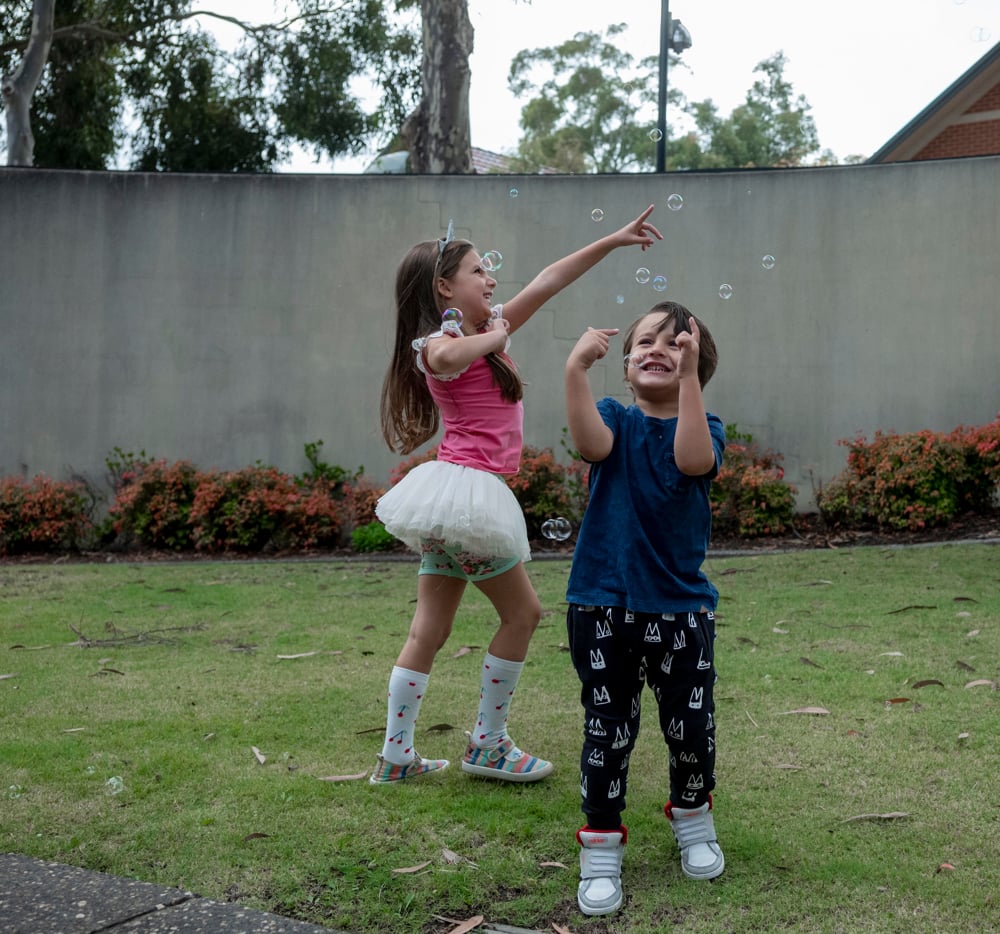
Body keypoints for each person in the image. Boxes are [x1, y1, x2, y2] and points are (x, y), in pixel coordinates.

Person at [370, 207, 662, 785]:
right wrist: (496, 335)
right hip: (467, 497)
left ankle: (397, 757)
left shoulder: (486, 329)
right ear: (444, 287)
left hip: (452, 503)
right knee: (523, 613)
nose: (492, 281)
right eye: (479, 271)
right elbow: (448, 359)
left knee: (430, 628)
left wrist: (614, 239)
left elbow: (549, 279)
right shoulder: (436, 344)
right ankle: (488, 745)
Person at [563, 302, 725, 915]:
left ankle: (693, 820)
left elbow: (691, 462)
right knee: (608, 730)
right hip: (601, 604)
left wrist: (686, 383)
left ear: (696, 364)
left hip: (680, 610)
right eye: (644, 341)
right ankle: (600, 846)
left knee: (690, 730)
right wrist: (576, 370)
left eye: (674, 342)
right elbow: (587, 442)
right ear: (625, 362)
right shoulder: (612, 420)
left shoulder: (705, 424)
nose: (657, 346)